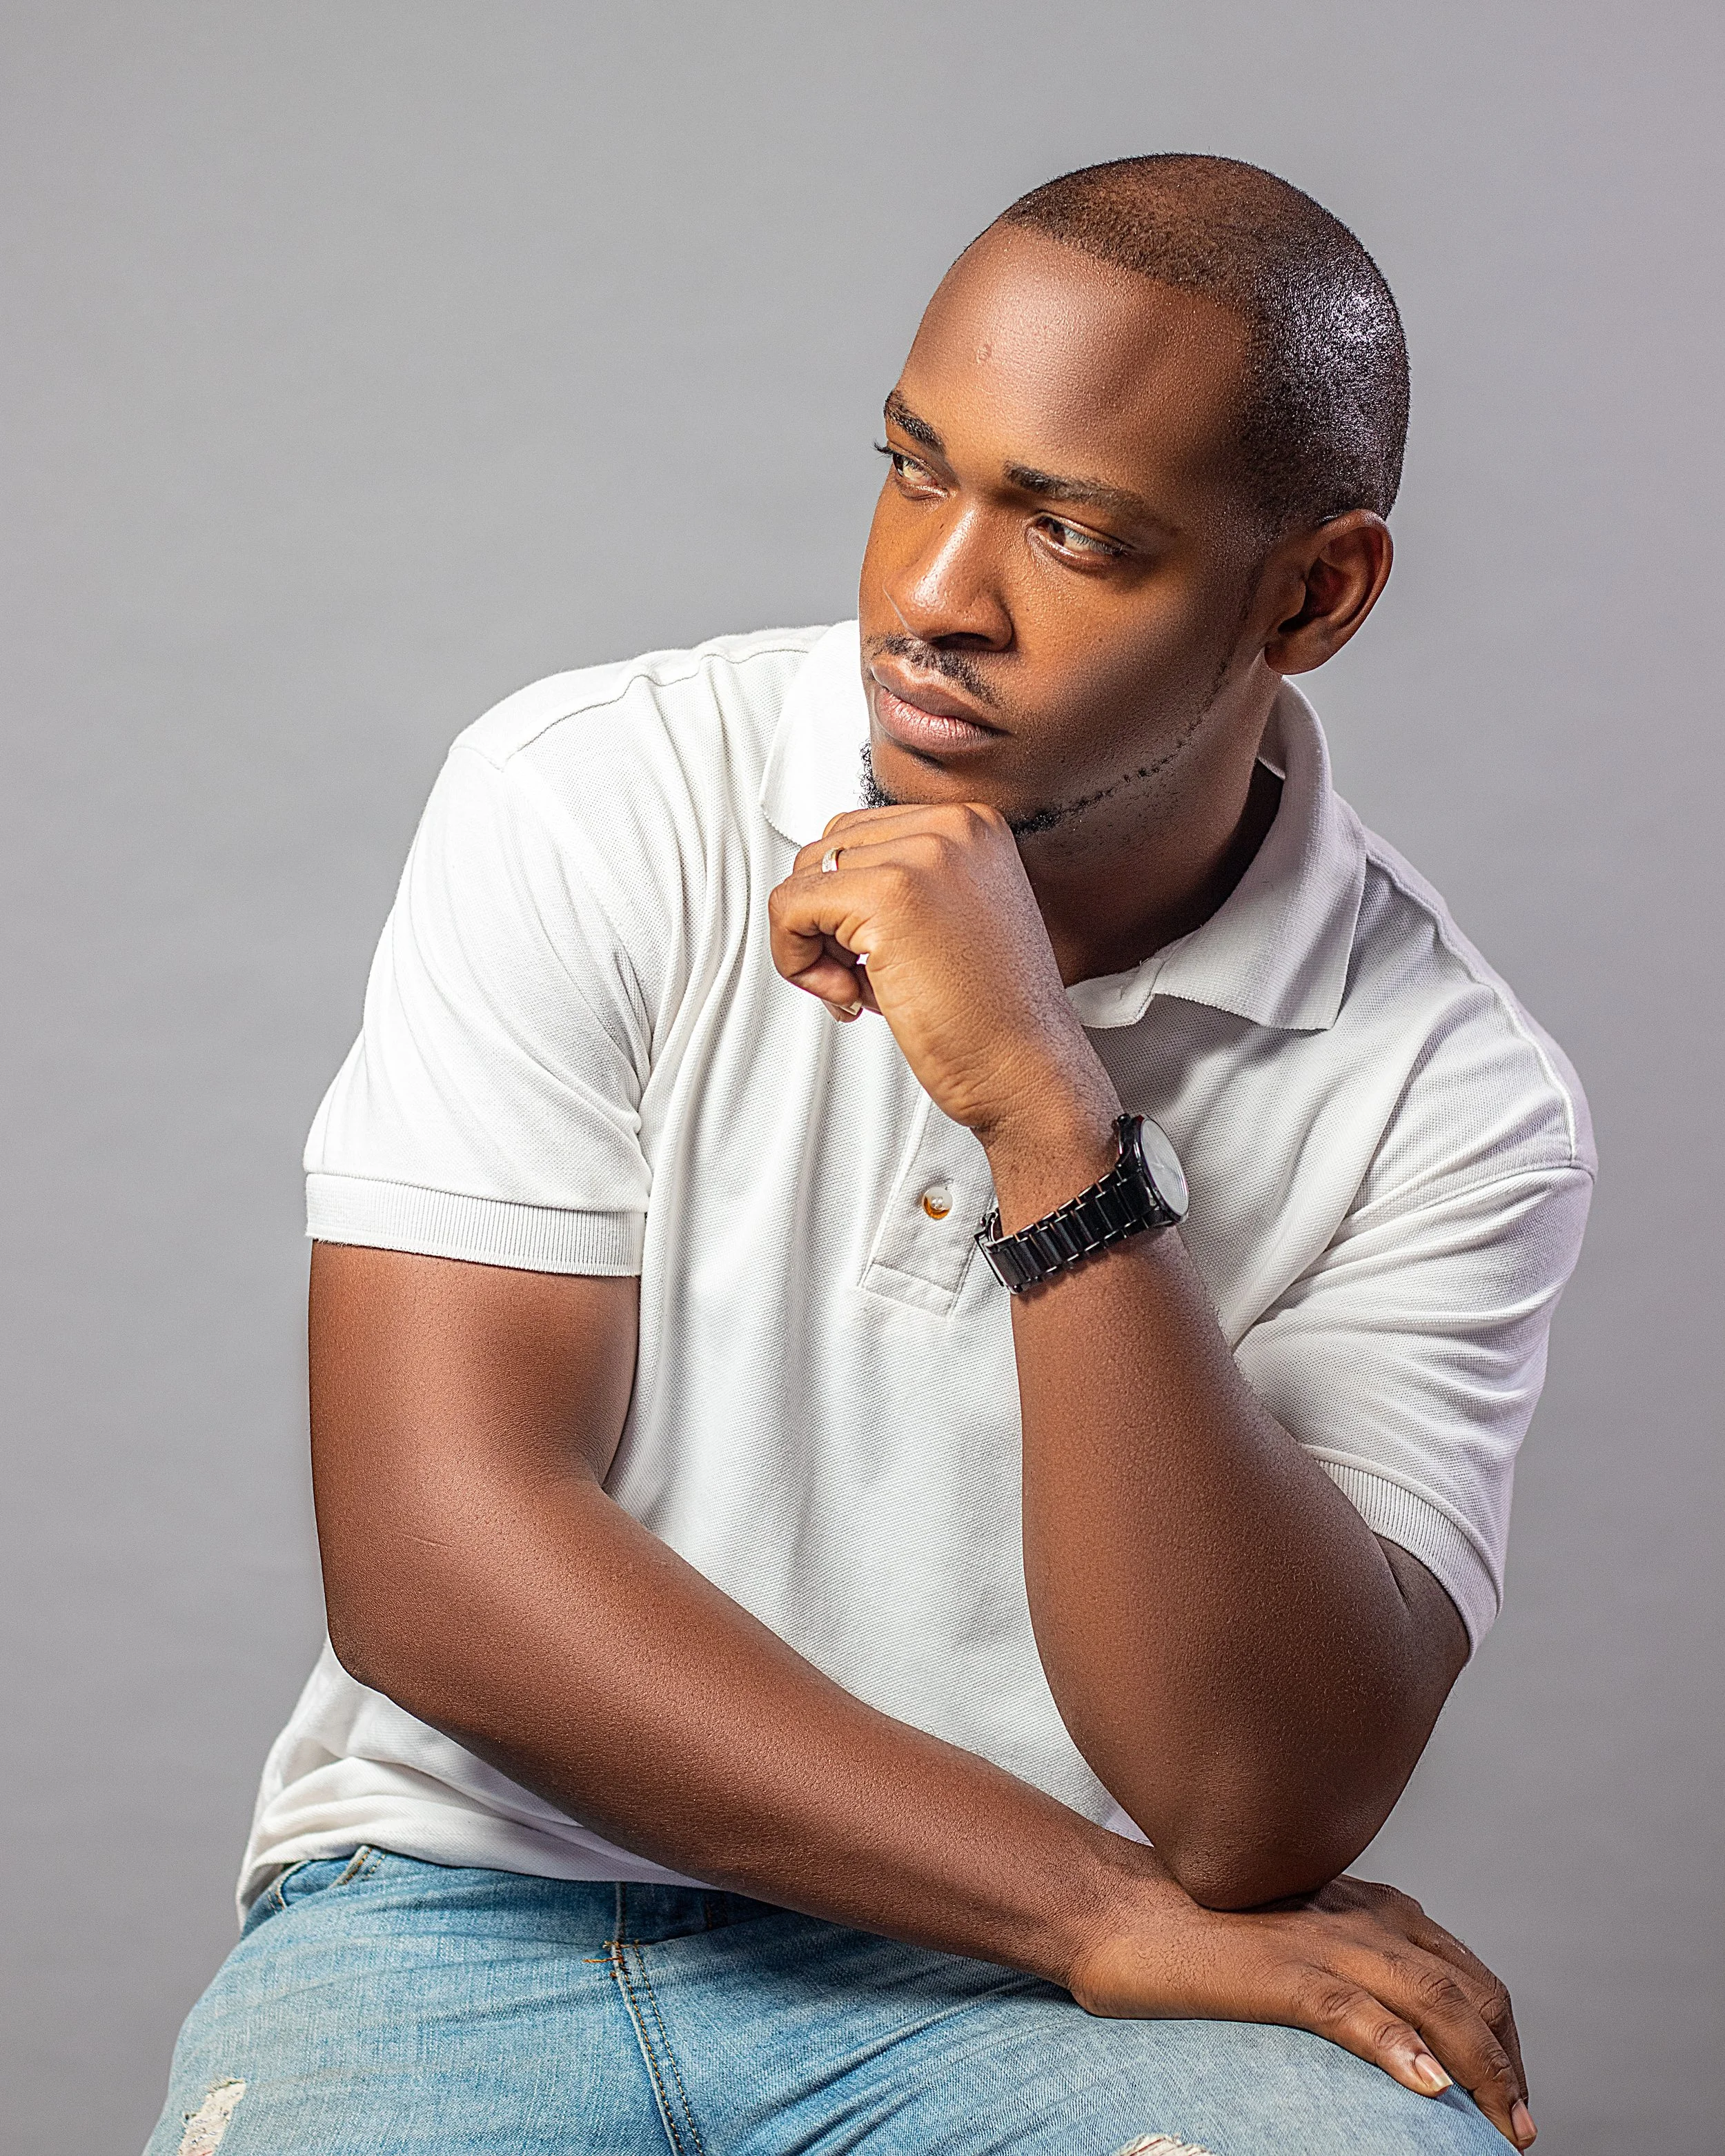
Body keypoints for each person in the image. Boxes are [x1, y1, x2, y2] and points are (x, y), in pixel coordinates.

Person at [148, 155, 1591, 2156]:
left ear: (1312, 594)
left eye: (1071, 533)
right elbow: (439, 1554)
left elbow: (1253, 1801)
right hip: (469, 1915)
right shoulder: (595, 800)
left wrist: (1047, 1119)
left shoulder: (1450, 1092)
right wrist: (1085, 1905)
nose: (927, 597)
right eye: (915, 471)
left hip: (1041, 1999)